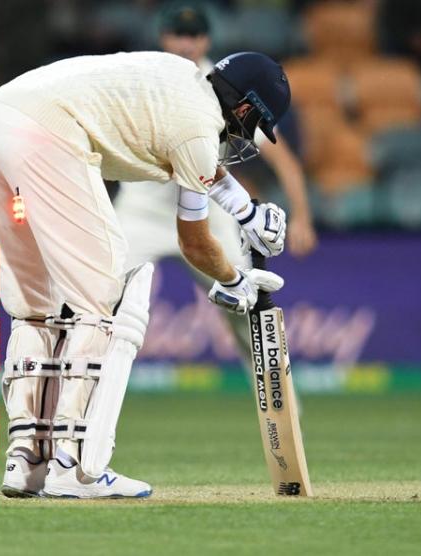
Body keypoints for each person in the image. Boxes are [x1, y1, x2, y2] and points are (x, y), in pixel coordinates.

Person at [0, 49, 291, 499]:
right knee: (101, 294)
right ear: (243, 107)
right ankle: (74, 468)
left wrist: (246, 211)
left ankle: (27, 460)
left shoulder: (182, 80)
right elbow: (194, 241)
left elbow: (197, 164)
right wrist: (236, 280)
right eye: (252, 123)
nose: (245, 135)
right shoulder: (199, 128)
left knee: (36, 304)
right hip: (44, 136)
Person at [114, 3, 315, 370]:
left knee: (249, 305)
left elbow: (282, 158)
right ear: (164, 38)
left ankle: (282, 402)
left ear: (206, 40)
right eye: (179, 34)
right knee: (102, 301)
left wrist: (302, 216)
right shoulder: (145, 75)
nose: (186, 44)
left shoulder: (228, 88)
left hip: (205, 207)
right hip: (141, 209)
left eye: (194, 36)